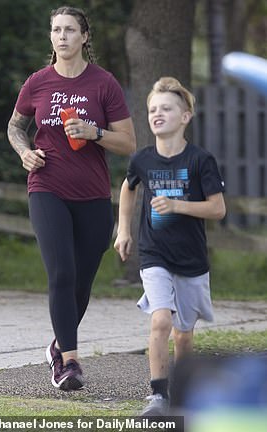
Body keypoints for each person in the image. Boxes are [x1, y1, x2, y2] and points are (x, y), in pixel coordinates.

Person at [7, 5, 136, 391]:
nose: (62, 36)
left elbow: (128, 142)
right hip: (46, 187)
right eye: (56, 30)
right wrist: (23, 152)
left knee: (80, 283)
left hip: (94, 195)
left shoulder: (104, 84)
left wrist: (94, 131)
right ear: (51, 37)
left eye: (69, 30)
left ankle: (58, 344)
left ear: (84, 37)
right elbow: (15, 125)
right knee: (61, 273)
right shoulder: (38, 82)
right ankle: (70, 364)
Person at [114, 77, 226, 416]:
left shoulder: (200, 160)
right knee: (160, 320)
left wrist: (177, 206)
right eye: (152, 110)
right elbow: (128, 186)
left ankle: (184, 392)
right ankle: (158, 397)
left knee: (184, 336)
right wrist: (123, 229)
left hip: (191, 259)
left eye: (166, 108)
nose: (157, 114)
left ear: (185, 116)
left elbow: (218, 209)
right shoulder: (142, 160)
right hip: (154, 254)